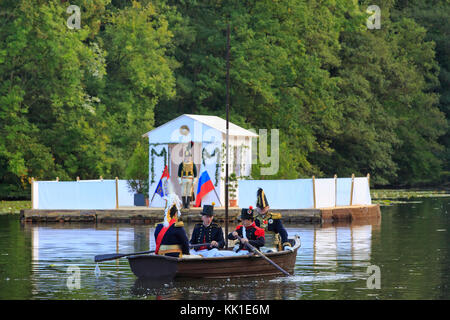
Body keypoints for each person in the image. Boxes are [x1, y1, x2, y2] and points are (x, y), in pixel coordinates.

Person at [178, 142, 197, 209]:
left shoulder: (192, 164)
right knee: (183, 192)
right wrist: (179, 180)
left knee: (189, 192)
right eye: (186, 156)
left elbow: (195, 174)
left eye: (189, 156)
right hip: (183, 179)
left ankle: (188, 204)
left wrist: (194, 181)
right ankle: (184, 204)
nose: (188, 158)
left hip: (190, 179)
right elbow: (179, 173)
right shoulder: (182, 164)